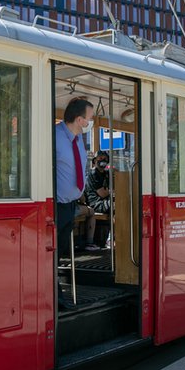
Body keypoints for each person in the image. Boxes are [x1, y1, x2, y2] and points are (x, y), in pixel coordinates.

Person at [55, 98, 94, 304]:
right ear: (79, 120)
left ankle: (57, 295)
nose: (91, 122)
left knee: (59, 252)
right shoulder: (54, 136)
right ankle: (56, 298)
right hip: (55, 206)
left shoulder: (78, 140)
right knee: (51, 255)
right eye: (89, 119)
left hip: (71, 205)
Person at [85, 150, 112, 248]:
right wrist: (113, 192)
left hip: (104, 201)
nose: (103, 160)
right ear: (94, 161)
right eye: (100, 158)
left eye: (105, 158)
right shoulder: (93, 173)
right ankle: (110, 238)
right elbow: (102, 193)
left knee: (122, 204)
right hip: (95, 203)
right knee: (116, 206)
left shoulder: (106, 174)